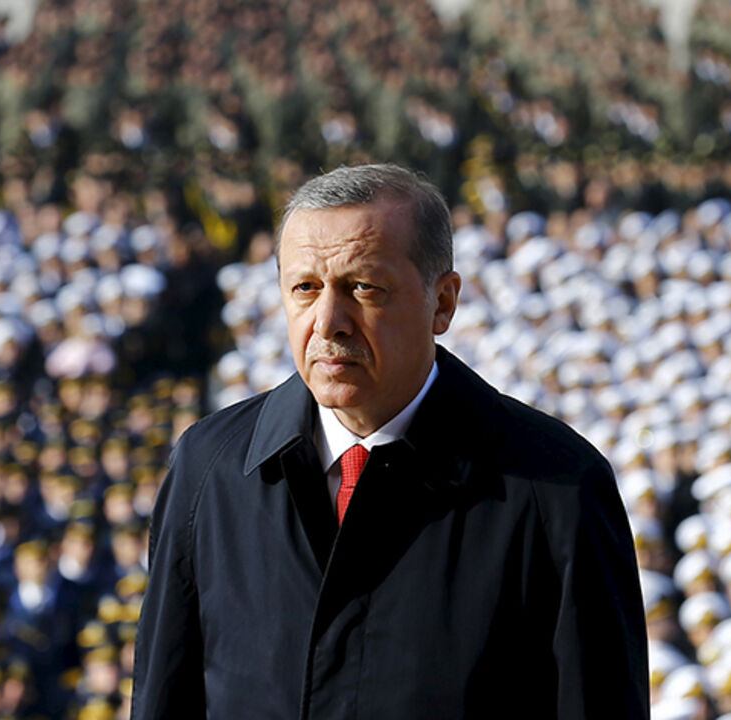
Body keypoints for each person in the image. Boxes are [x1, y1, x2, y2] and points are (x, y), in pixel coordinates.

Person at [133, 163, 649, 719]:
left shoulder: (556, 489)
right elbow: (166, 694)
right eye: (305, 288)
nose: (329, 322)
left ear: (443, 302)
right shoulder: (209, 468)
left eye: (364, 287)